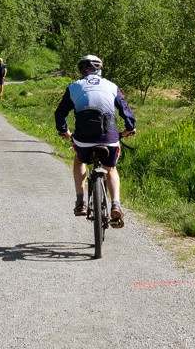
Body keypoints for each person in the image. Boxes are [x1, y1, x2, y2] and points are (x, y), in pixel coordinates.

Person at [54, 54, 136, 227]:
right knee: (111, 168)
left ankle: (80, 202)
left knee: (79, 159)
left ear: (82, 70)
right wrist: (130, 127)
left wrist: (64, 131)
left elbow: (60, 113)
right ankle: (116, 204)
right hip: (109, 137)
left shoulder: (74, 87)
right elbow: (125, 109)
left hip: (83, 139)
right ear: (100, 69)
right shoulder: (111, 86)